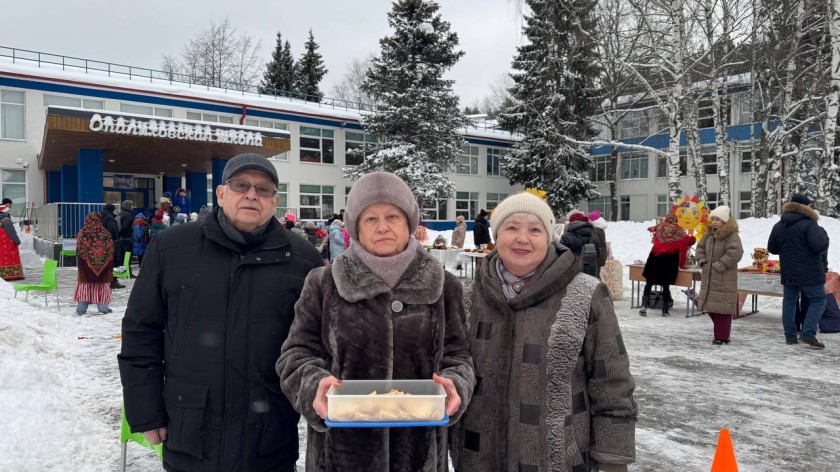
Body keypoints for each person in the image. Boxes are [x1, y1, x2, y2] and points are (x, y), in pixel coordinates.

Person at [119, 153, 322, 471]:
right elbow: (141, 331)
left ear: (275, 201)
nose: (252, 194)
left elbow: (314, 343)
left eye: (263, 189)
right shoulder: (171, 249)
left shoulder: (303, 260)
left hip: (269, 438)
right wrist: (145, 410)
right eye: (242, 185)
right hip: (192, 433)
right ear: (222, 193)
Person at [277, 171, 475, 472]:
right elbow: (296, 355)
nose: (382, 227)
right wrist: (313, 386)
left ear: (408, 222)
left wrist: (457, 386)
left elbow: (458, 356)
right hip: (340, 455)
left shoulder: (444, 285)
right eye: (371, 218)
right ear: (356, 226)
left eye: (392, 216)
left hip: (419, 455)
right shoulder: (323, 283)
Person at [450, 192, 636, 472]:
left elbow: (612, 385)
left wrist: (613, 461)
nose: (522, 238)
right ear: (496, 235)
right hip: (477, 460)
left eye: (535, 229)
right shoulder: (466, 297)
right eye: (511, 227)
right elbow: (450, 370)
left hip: (559, 461)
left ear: (549, 236)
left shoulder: (585, 294)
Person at [768, 193, 830, 348]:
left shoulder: (779, 225)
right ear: (803, 206)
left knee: (789, 302)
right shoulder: (810, 224)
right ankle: (808, 333)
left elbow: (772, 248)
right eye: (808, 205)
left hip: (789, 271)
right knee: (818, 300)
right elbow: (819, 246)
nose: (810, 207)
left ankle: (790, 336)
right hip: (809, 271)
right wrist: (824, 238)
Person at [695, 205, 744, 345]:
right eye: (713, 219)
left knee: (722, 309)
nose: (714, 222)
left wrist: (720, 265)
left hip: (724, 277)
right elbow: (700, 248)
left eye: (718, 219)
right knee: (710, 306)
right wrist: (703, 261)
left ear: (725, 221)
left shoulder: (732, 235)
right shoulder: (709, 234)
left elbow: (736, 252)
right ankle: (721, 333)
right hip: (709, 277)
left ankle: (722, 336)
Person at [639, 212, 696, 317]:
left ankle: (644, 306)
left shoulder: (660, 228)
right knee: (665, 285)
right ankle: (665, 310)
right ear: (675, 220)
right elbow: (689, 242)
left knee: (649, 283)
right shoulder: (679, 231)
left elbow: (652, 229)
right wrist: (682, 264)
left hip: (655, 258)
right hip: (669, 260)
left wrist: (652, 229)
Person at [74, 212, 114, 315]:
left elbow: (79, 250)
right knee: (101, 287)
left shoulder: (82, 233)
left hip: (85, 268)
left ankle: (81, 309)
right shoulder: (106, 233)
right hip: (103, 269)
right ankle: (103, 308)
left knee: (85, 287)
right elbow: (110, 249)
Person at [561, 210, 602, 277]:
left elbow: (561, 257)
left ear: (571, 222)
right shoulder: (593, 235)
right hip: (591, 272)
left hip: (572, 273)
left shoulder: (566, 237)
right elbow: (598, 255)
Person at [100, 203, 124, 289]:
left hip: (101, 244)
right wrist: (115, 238)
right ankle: (114, 281)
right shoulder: (110, 218)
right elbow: (112, 230)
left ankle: (106, 280)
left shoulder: (100, 217)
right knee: (114, 262)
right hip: (111, 244)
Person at [0, 202, 24, 281]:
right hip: (8, 243)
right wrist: (17, 241)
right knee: (11, 257)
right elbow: (11, 232)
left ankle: (2, 274)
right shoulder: (6, 220)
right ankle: (13, 274)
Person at [117, 200, 134, 278]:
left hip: (120, 239)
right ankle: (128, 273)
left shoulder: (119, 214)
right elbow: (125, 227)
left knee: (121, 256)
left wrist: (118, 235)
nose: (132, 207)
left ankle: (121, 273)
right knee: (127, 256)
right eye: (131, 205)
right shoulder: (128, 215)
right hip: (127, 238)